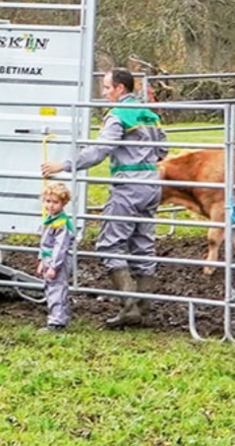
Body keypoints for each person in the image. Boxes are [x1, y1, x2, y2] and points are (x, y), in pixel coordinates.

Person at [42, 67, 168, 327]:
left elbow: (99, 150)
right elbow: (163, 149)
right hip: (152, 184)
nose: (104, 93)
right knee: (143, 244)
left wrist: (64, 165)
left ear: (120, 88)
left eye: (108, 88)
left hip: (128, 185)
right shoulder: (149, 114)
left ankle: (129, 307)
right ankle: (144, 309)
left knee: (110, 245)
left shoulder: (118, 115)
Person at [36, 181, 75, 333]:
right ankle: (57, 318)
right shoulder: (50, 219)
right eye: (48, 201)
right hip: (49, 258)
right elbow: (44, 242)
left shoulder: (61, 223)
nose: (51, 205)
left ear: (63, 203)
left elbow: (60, 247)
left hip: (58, 260)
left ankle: (57, 322)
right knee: (51, 288)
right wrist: (41, 260)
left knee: (57, 289)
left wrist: (54, 266)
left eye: (55, 202)